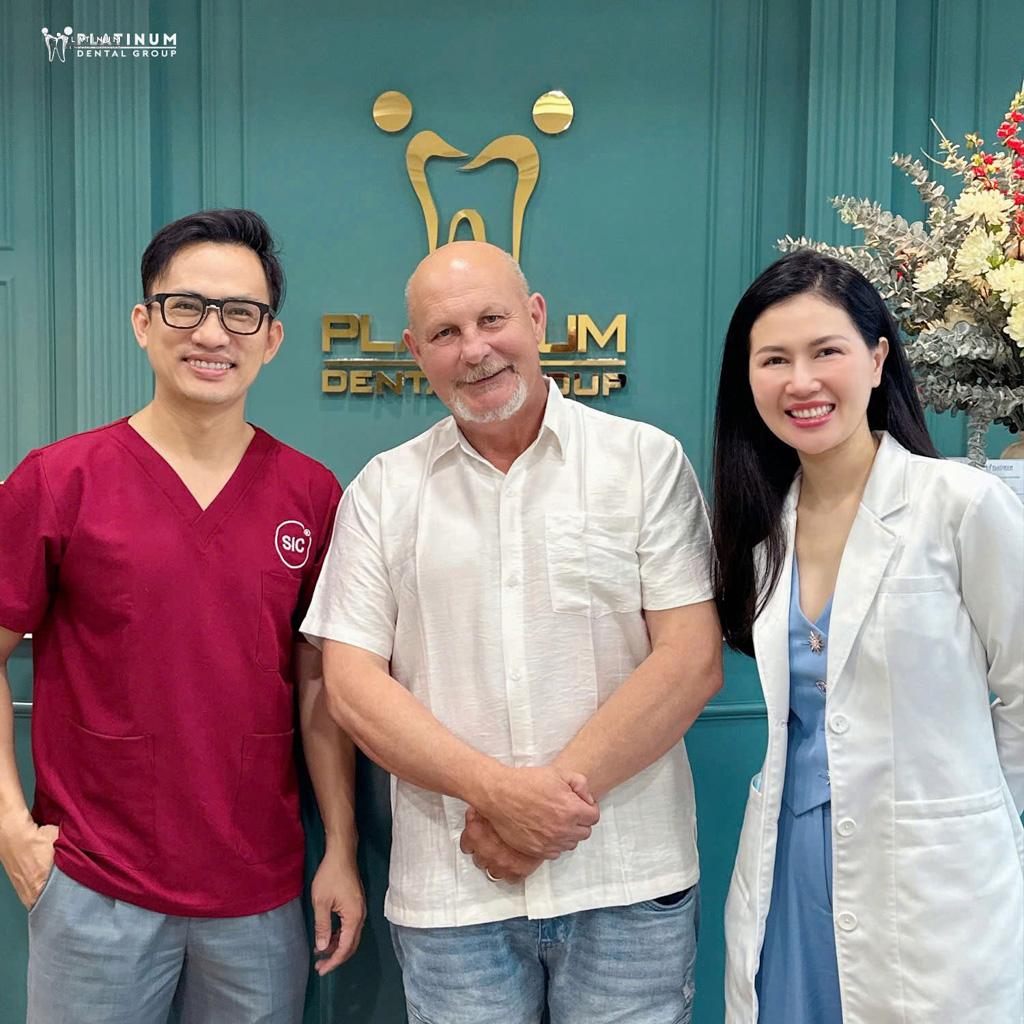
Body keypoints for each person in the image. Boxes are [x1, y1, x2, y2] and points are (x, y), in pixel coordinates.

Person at [301, 240, 723, 1024]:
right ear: (415, 352)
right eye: (445, 333)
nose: (475, 349)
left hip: (627, 882)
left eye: (491, 320)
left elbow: (692, 660)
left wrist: (538, 820)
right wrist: (496, 795)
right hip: (453, 896)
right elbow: (352, 688)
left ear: (535, 318)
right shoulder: (382, 492)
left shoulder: (644, 463)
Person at [0, 209, 365, 1024]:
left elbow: (321, 685)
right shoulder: (60, 481)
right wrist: (10, 830)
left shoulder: (311, 494)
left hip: (258, 899)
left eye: (241, 313)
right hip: (93, 890)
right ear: (143, 322)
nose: (212, 333)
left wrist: (340, 849)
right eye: (185, 306)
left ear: (271, 338)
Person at [712, 250, 1024, 1024]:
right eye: (774, 359)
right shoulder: (760, 530)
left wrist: (976, 819)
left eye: (827, 352)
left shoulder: (959, 504)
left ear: (878, 359)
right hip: (789, 865)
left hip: (930, 875)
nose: (801, 382)